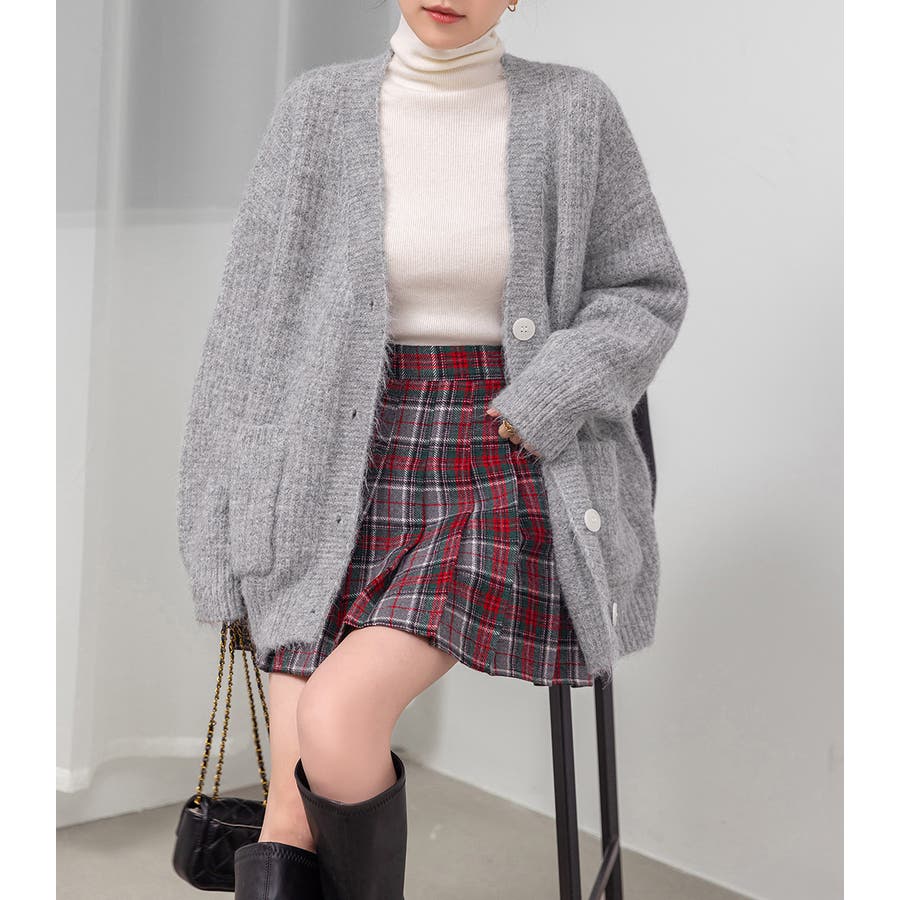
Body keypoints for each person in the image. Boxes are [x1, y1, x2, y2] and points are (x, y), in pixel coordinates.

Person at [176, 2, 689, 897]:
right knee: (288, 808)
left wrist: (546, 397)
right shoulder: (317, 110)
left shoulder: (573, 110)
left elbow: (645, 290)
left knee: (337, 718)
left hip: (507, 456)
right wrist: (222, 526)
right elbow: (249, 330)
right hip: (331, 464)